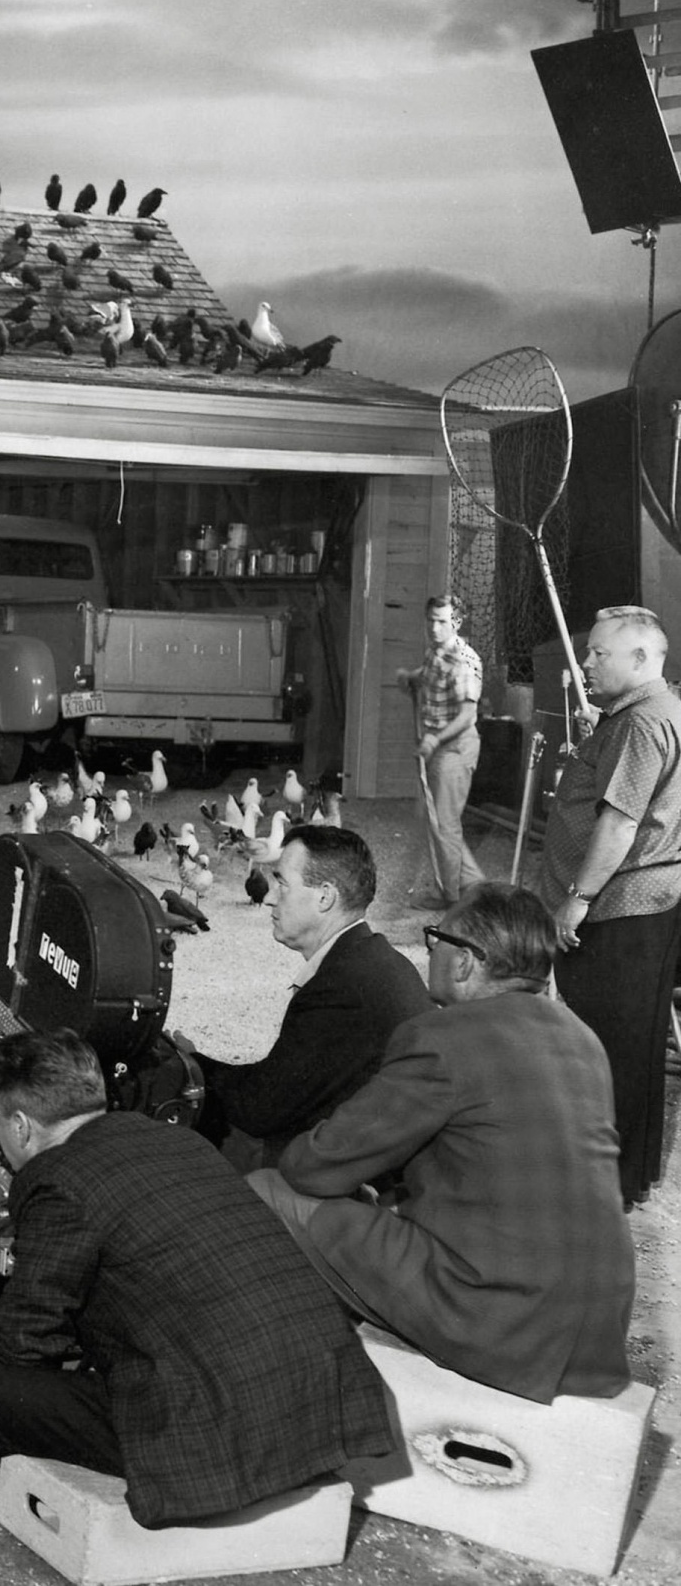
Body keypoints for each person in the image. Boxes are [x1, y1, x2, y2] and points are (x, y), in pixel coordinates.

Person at [0, 1028, 393, 1529]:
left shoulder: (56, 1179)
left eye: (0, 1124)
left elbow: (26, 1342)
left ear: (20, 1126)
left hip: (213, 1434)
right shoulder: (178, 1139)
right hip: (323, 1409)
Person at [251, 884, 635, 1402]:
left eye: (436, 940)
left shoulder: (441, 1037)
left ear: (466, 963)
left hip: (494, 1319)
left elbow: (314, 1168)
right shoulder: (583, 1040)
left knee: (268, 1190)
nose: (429, 951)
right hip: (596, 1331)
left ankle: (297, 1382)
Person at [542, 605, 681, 1207]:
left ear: (644, 659)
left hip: (616, 912)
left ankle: (600, 1188)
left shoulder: (639, 726)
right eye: (590, 651)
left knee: (602, 1053)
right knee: (634, 1050)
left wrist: (576, 901)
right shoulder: (655, 711)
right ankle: (627, 1178)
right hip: (645, 909)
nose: (587, 663)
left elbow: (620, 825)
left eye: (601, 653)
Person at [196, 826, 430, 1171]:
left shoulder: (342, 987)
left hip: (364, 1181)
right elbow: (282, 1079)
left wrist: (194, 1068)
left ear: (324, 897)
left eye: (283, 884)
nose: (272, 897)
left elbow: (257, 1110)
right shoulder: (374, 961)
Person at [398, 594, 486, 905]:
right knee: (438, 822)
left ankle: (451, 900)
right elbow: (432, 676)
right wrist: (412, 678)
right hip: (437, 746)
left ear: (457, 623)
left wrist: (434, 740)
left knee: (445, 826)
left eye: (442, 622)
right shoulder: (435, 652)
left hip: (455, 748)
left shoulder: (463, 660)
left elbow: (467, 715)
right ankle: (474, 887)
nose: (435, 628)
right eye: (431, 621)